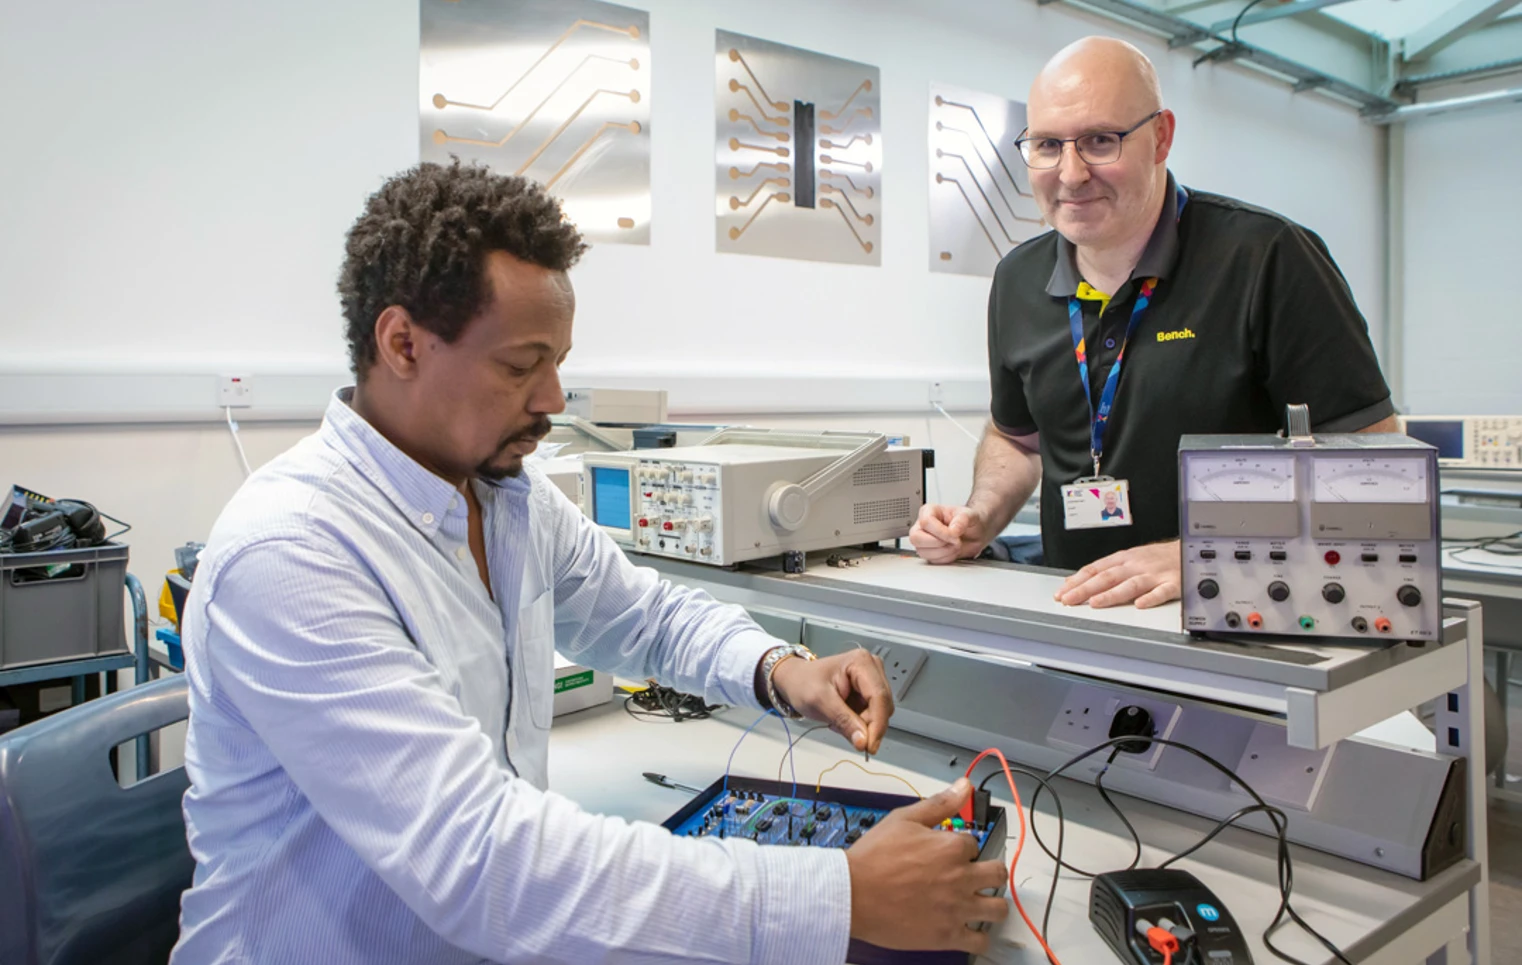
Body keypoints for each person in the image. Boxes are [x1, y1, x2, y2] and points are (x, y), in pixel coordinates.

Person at [171, 163, 1008, 964]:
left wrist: (781, 669)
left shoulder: (506, 498)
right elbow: (481, 860)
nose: (553, 399)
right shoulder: (293, 554)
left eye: (558, 361)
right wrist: (837, 897)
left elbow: (639, 612)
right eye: (520, 365)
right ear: (402, 343)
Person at [911, 37, 1397, 608]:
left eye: (1099, 141)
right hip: (1079, 620)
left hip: (1243, 620)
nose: (1070, 174)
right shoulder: (1018, 279)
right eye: (1046, 145)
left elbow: (1375, 467)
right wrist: (981, 516)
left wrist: (1199, 554)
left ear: (1161, 136)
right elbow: (1016, 440)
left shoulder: (1268, 258)